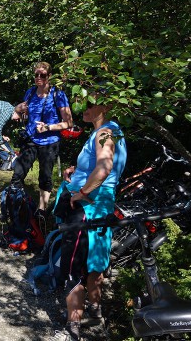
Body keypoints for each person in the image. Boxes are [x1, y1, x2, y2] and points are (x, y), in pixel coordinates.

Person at [54, 92, 127, 340]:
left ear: (105, 106)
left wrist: (81, 191)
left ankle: (72, 325)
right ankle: (96, 313)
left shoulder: (105, 132)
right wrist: (77, 173)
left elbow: (104, 168)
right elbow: (102, 166)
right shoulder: (113, 131)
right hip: (103, 206)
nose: (81, 106)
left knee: (74, 263)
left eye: (88, 103)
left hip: (88, 207)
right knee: (96, 257)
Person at [11, 62, 73, 213]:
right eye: (36, 75)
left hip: (50, 141)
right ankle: (12, 205)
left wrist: (48, 127)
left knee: (45, 177)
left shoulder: (58, 95)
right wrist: (17, 110)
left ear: (49, 76)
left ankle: (41, 211)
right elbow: (21, 112)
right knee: (18, 172)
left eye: (43, 75)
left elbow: (69, 122)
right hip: (31, 138)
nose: (39, 78)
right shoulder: (31, 92)